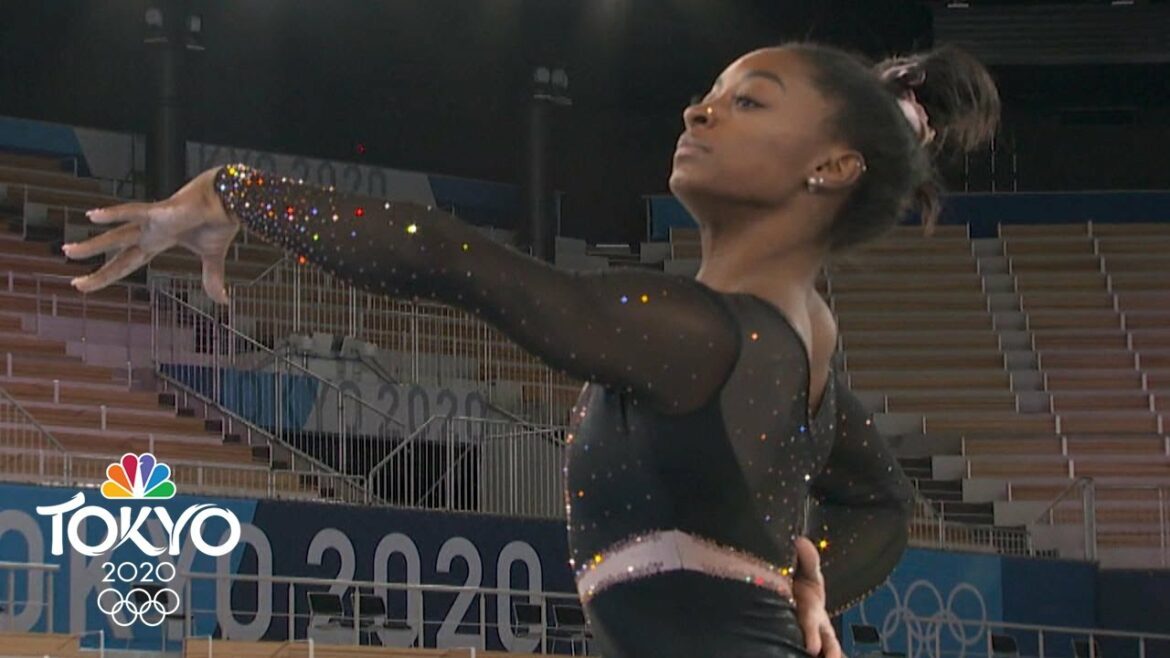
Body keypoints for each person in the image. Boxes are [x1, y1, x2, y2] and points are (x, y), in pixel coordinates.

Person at [64, 40, 999, 658]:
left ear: (831, 168)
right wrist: (807, 581)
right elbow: (882, 503)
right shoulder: (780, 333)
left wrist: (236, 190)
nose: (698, 114)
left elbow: (465, 265)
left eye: (747, 102)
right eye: (705, 96)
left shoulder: (707, 334)